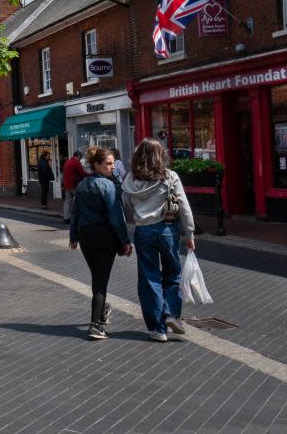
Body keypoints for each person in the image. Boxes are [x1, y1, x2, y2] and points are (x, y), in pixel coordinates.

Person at [122, 138, 196, 343]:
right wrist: (189, 233)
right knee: (172, 274)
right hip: (167, 229)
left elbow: (125, 202)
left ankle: (157, 328)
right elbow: (184, 206)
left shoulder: (130, 179)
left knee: (149, 278)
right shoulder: (170, 177)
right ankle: (171, 314)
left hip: (143, 231)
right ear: (160, 155)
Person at [69, 147, 131, 341]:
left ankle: (102, 310)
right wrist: (125, 240)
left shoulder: (81, 185)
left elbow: (75, 213)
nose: (112, 167)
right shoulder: (108, 186)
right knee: (100, 282)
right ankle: (95, 325)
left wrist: (73, 236)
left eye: (113, 163)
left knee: (97, 277)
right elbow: (115, 216)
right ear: (96, 165)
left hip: (87, 237)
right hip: (105, 237)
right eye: (108, 164)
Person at [62, 150, 88, 224]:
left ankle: (65, 217)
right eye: (80, 157)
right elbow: (82, 173)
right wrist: (91, 175)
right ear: (78, 156)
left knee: (67, 202)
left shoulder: (67, 162)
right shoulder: (76, 162)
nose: (80, 159)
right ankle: (80, 217)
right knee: (80, 200)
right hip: (74, 185)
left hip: (67, 185)